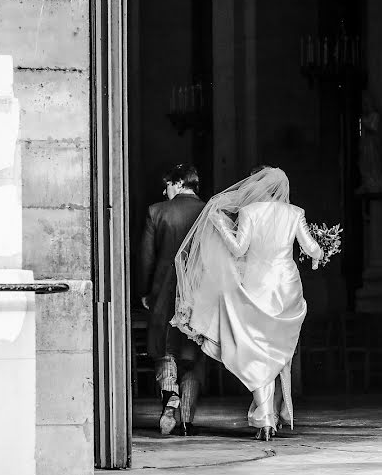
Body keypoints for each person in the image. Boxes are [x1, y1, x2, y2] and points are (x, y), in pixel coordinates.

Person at [171, 166, 323, 441]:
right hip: (287, 288)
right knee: (275, 352)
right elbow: (311, 248)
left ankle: (266, 419)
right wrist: (317, 254)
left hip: (257, 285)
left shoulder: (250, 212)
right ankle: (271, 415)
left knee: (256, 350)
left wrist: (219, 225)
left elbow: (239, 249)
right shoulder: (295, 213)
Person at [137, 164, 206, 436]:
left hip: (164, 289)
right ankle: (187, 419)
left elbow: (146, 258)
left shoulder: (157, 212)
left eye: (166, 185)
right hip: (200, 292)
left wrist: (144, 290)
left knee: (165, 348)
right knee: (192, 353)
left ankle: (169, 399)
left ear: (178, 183)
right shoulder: (208, 212)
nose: (164, 191)